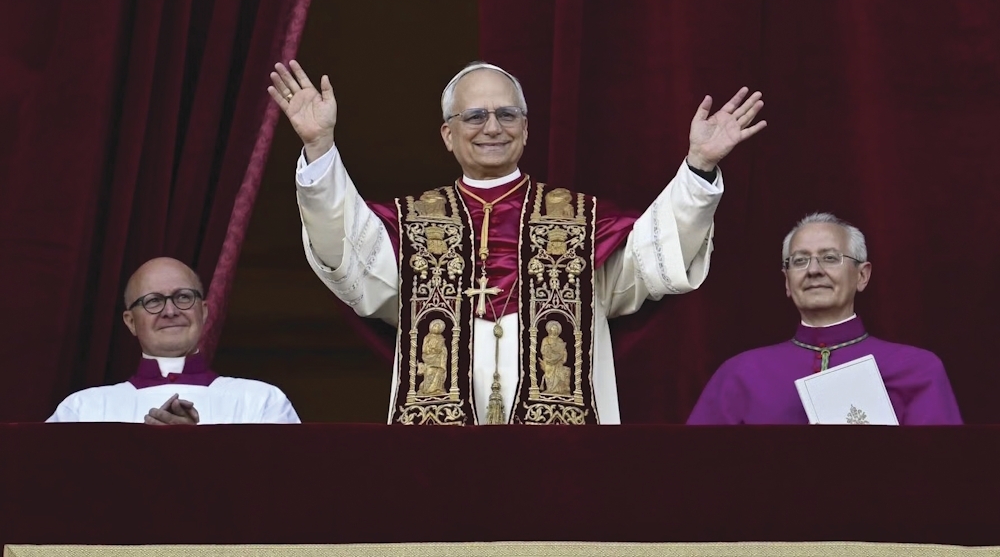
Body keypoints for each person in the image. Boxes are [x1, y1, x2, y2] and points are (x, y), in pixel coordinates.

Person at [269, 60, 765, 425]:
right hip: (438, 445)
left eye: (507, 115)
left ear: (526, 131)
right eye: (475, 116)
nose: (492, 127)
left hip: (563, 443)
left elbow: (656, 256)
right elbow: (347, 257)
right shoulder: (411, 222)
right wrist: (319, 148)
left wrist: (698, 167)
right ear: (446, 133)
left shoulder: (582, 221)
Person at [687, 213, 962, 425]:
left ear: (862, 275)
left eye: (830, 258)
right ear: (787, 282)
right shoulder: (740, 374)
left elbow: (941, 474)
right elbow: (696, 469)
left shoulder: (917, 369)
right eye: (799, 260)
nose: (814, 270)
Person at [47, 257, 300, 424]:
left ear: (203, 311)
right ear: (130, 322)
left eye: (182, 297)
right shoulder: (82, 411)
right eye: (153, 301)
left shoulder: (261, 403)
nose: (170, 311)